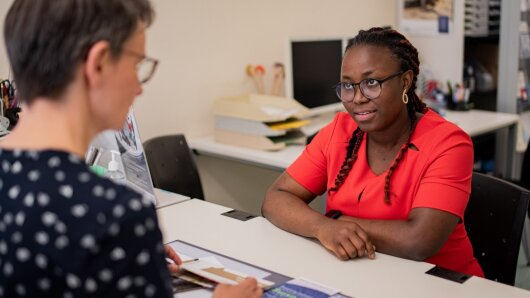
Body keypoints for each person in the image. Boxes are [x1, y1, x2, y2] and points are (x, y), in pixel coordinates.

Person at [0, 0, 262, 297]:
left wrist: (130, 261)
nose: (139, 87)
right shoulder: (116, 217)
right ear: (97, 63)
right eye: (137, 65)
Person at [262, 27, 484, 277]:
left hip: (440, 283)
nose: (357, 98)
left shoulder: (448, 143)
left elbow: (419, 240)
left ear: (406, 81)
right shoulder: (339, 131)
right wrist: (321, 226)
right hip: (363, 276)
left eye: (371, 83)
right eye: (348, 85)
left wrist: (339, 223)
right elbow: (275, 198)